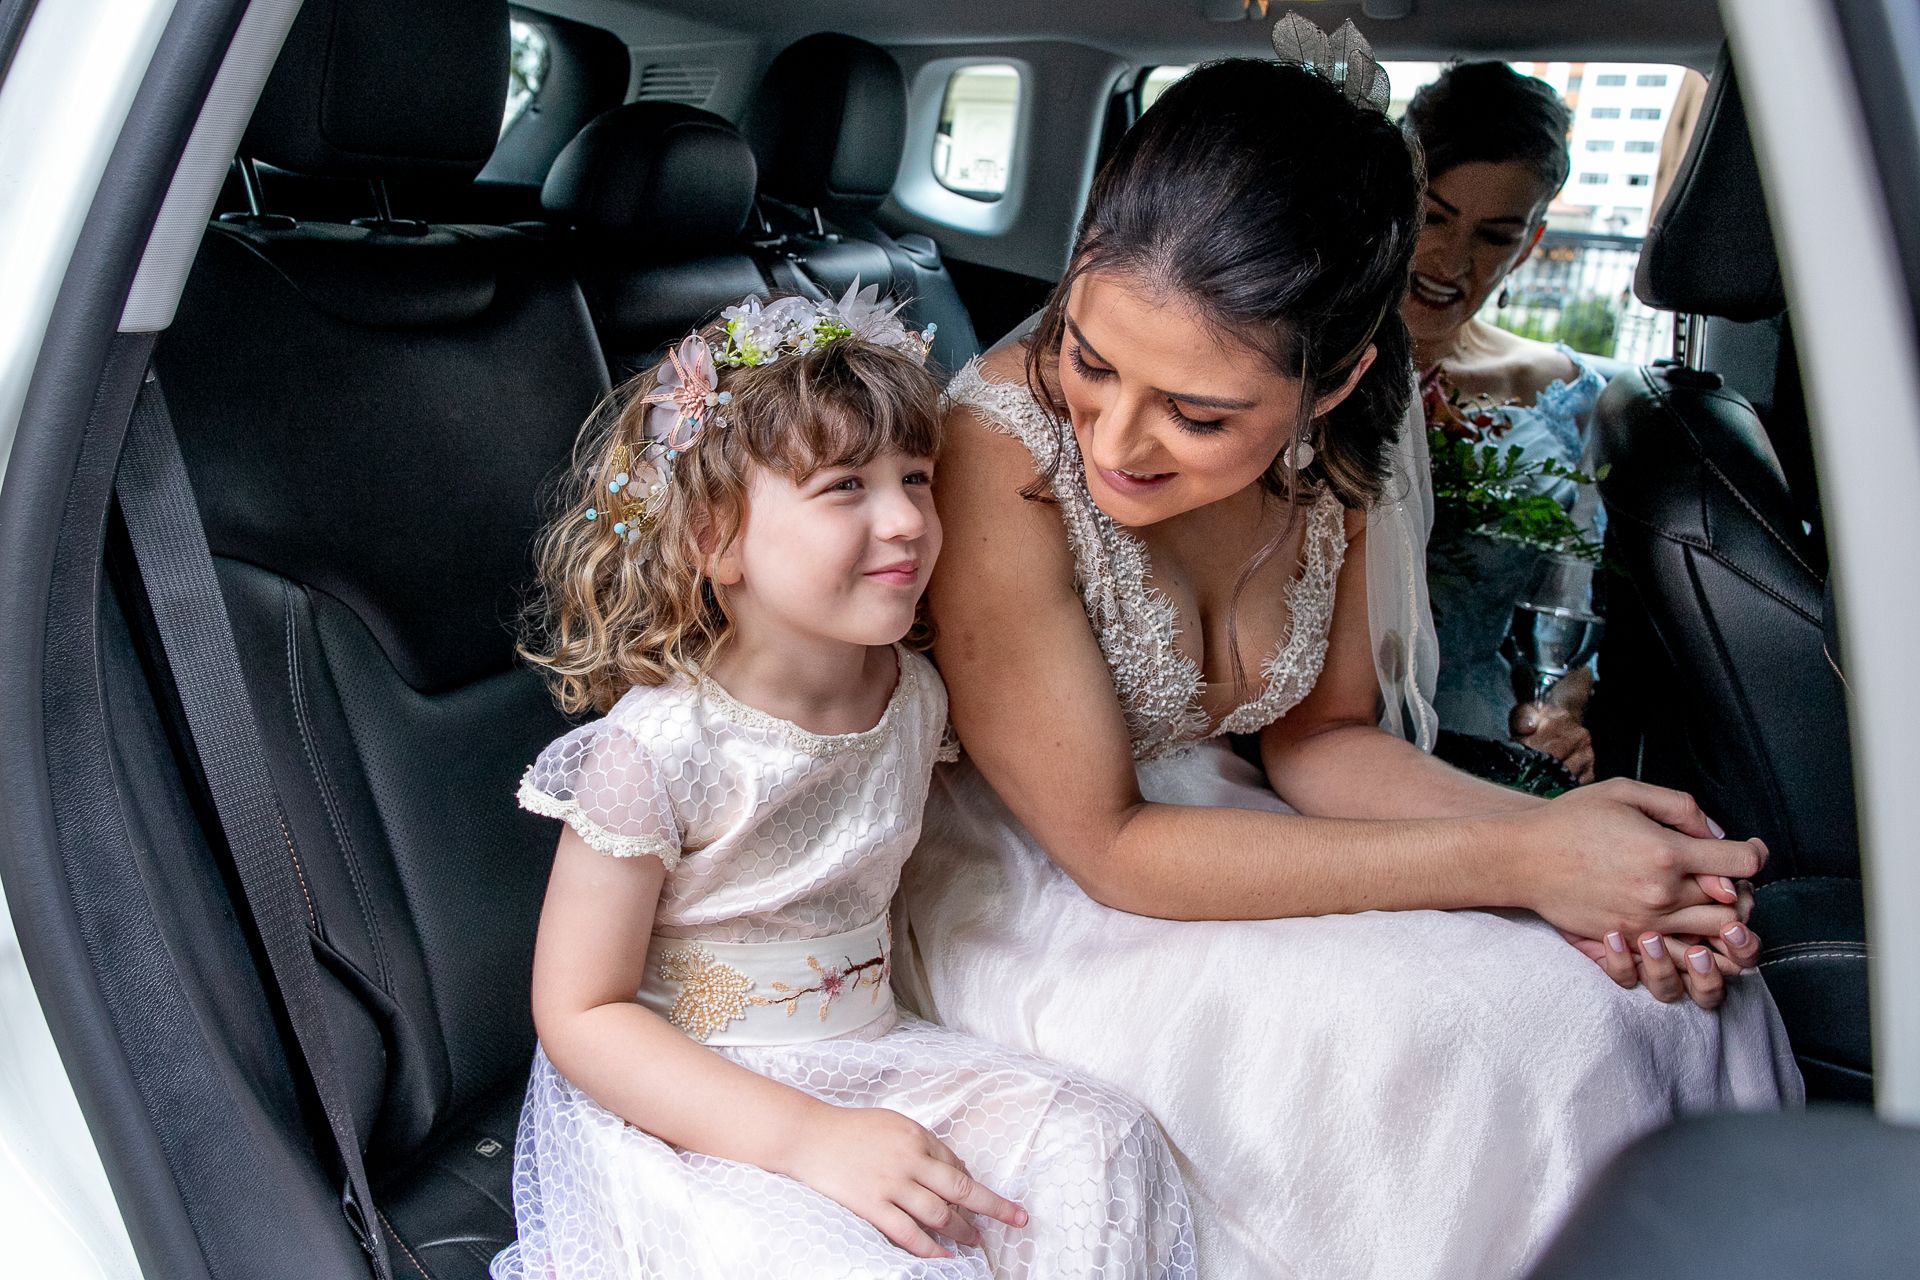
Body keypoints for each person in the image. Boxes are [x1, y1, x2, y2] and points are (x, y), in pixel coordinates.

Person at [895, 36, 1800, 1280]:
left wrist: (1590, 849)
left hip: (1229, 819)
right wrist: (1524, 854)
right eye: (1091, 361)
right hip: (1037, 875)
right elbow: (1107, 845)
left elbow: (1322, 740)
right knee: (1462, 1038)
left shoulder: (1351, 447)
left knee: (1663, 1000)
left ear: (1337, 383)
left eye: (1201, 415)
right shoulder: (998, 446)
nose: (1115, 439)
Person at [495, 289, 1196, 1280]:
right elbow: (581, 1013)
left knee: (1100, 1139)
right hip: (697, 1105)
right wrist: (808, 1138)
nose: (908, 517)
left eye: (916, 476)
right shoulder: (655, 752)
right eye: (845, 487)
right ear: (714, 537)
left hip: (874, 1050)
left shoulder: (915, 693)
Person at [1403, 61, 1609, 781]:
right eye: (1434, 216)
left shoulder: (1558, 394)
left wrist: (1560, 710)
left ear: (1529, 241)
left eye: (1495, 235)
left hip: (1475, 731)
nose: (1452, 260)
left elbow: (1568, 611)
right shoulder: (1300, 354)